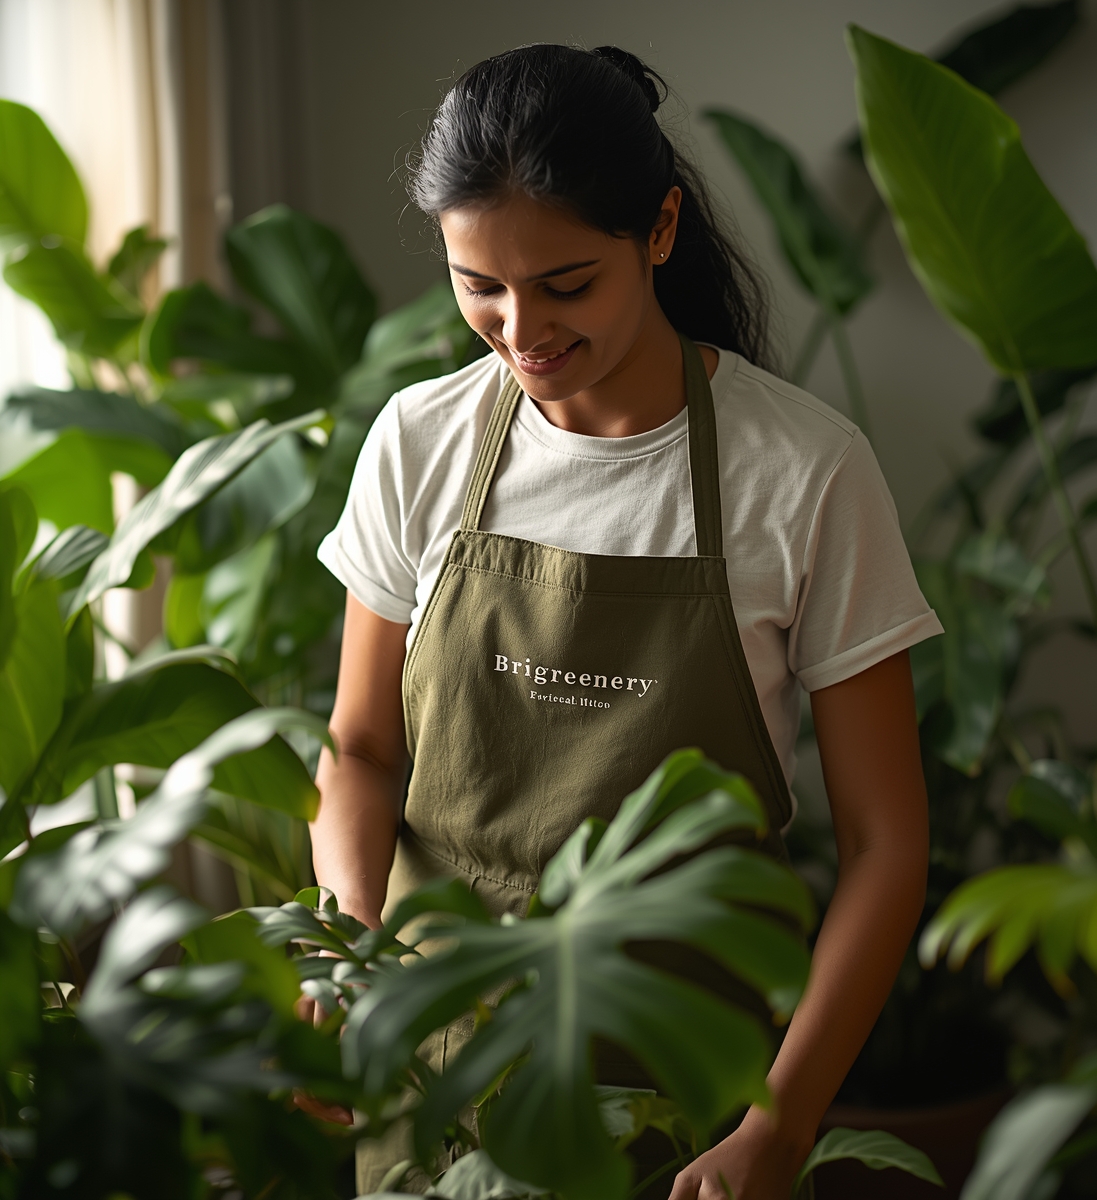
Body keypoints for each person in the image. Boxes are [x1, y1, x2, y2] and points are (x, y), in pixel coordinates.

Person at [310, 43, 941, 1200]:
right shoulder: (419, 442)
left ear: (660, 229)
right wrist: (348, 953)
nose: (519, 330)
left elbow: (886, 843)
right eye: (478, 285)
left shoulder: (802, 474)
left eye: (565, 285)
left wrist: (780, 1126)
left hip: (686, 1084)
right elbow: (360, 748)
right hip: (434, 1061)